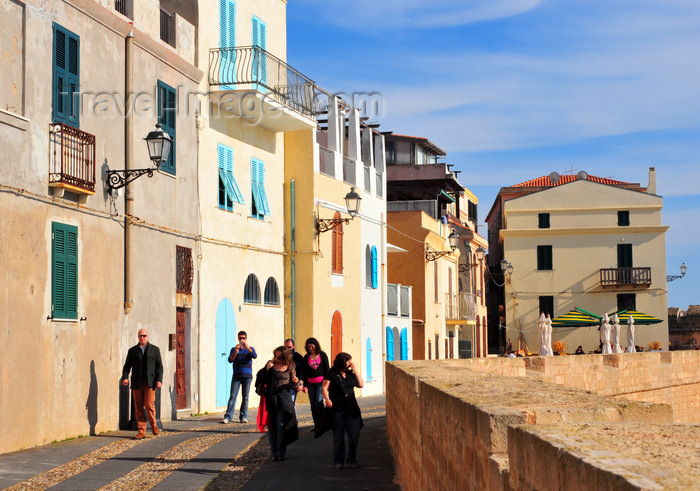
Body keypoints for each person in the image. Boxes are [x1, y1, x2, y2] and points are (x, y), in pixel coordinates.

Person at [322, 352, 364, 470]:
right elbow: (325, 387)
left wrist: (355, 370)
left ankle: (351, 459)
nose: (350, 363)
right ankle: (338, 461)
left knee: (354, 434)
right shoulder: (331, 374)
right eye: (348, 361)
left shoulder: (350, 373)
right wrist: (327, 399)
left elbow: (361, 385)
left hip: (352, 407)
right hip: (338, 408)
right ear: (342, 362)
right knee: (338, 436)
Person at [121, 329, 163, 439]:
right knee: (138, 407)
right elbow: (126, 366)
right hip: (137, 382)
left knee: (149, 405)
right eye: (140, 336)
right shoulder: (132, 351)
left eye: (144, 336)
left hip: (150, 382)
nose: (142, 338)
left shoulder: (155, 350)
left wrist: (159, 380)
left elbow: (159, 367)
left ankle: (154, 425)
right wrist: (125, 378)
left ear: (148, 336)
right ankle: (141, 431)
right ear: (138, 337)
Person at [263, 346, 300, 461]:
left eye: (279, 357)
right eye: (275, 356)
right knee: (272, 427)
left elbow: (294, 383)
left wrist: (296, 382)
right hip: (272, 399)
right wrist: (267, 369)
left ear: (285, 357)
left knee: (281, 426)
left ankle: (280, 452)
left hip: (284, 399)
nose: (276, 359)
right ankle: (274, 452)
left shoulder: (290, 367)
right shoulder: (270, 365)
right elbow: (261, 380)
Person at [222, 331, 257, 424]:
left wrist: (247, 347)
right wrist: (236, 351)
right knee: (233, 396)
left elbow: (254, 356)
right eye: (240, 338)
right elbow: (230, 360)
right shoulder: (234, 349)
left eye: (243, 338)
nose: (242, 340)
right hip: (237, 376)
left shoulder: (250, 349)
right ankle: (228, 417)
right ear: (238, 338)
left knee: (245, 397)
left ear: (246, 338)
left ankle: (243, 416)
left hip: (247, 376)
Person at [300, 337, 329, 431]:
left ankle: (322, 424)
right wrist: (304, 385)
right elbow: (304, 372)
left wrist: (327, 383)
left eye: (312, 346)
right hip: (310, 383)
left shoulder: (322, 355)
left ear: (316, 346)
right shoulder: (306, 357)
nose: (311, 348)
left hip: (321, 383)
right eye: (309, 347)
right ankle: (316, 425)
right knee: (313, 404)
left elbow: (327, 369)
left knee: (319, 403)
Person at [284, 338, 305, 403]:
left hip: (293, 384)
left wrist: (300, 383)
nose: (287, 349)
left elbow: (301, 371)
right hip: (282, 383)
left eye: (289, 347)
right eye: (286, 347)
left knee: (290, 403)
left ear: (293, 347)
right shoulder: (281, 356)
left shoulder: (298, 357)